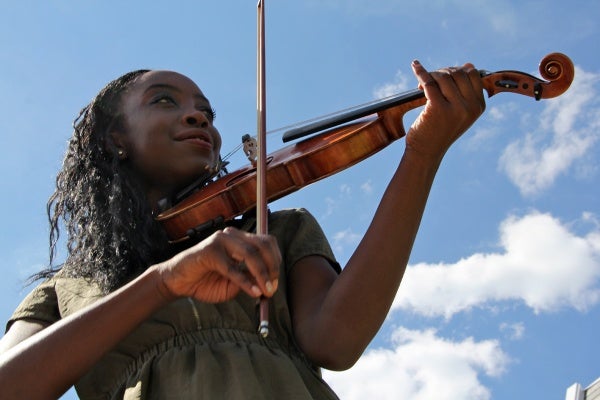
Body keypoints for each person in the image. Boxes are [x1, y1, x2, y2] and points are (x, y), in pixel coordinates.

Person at [0, 60, 485, 399]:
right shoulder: (66, 289)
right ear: (116, 139)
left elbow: (335, 342)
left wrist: (423, 154)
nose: (198, 118)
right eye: (164, 101)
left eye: (207, 113)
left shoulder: (274, 229)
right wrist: (164, 281)